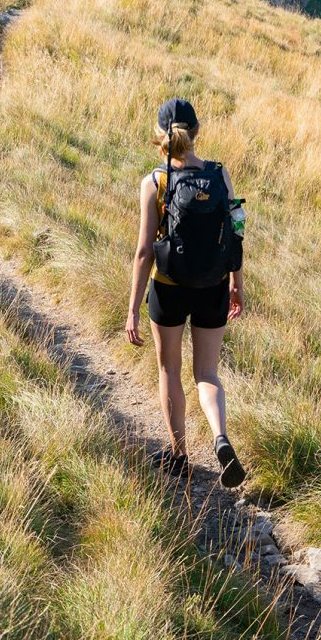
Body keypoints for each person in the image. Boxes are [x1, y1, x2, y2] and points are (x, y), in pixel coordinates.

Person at [126, 98, 247, 487]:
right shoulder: (219, 175)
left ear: (159, 136)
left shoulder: (155, 182)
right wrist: (236, 284)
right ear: (196, 132)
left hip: (169, 288)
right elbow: (235, 235)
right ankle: (220, 437)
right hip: (213, 285)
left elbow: (145, 251)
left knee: (169, 371)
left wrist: (131, 309)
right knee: (207, 373)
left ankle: (179, 454)